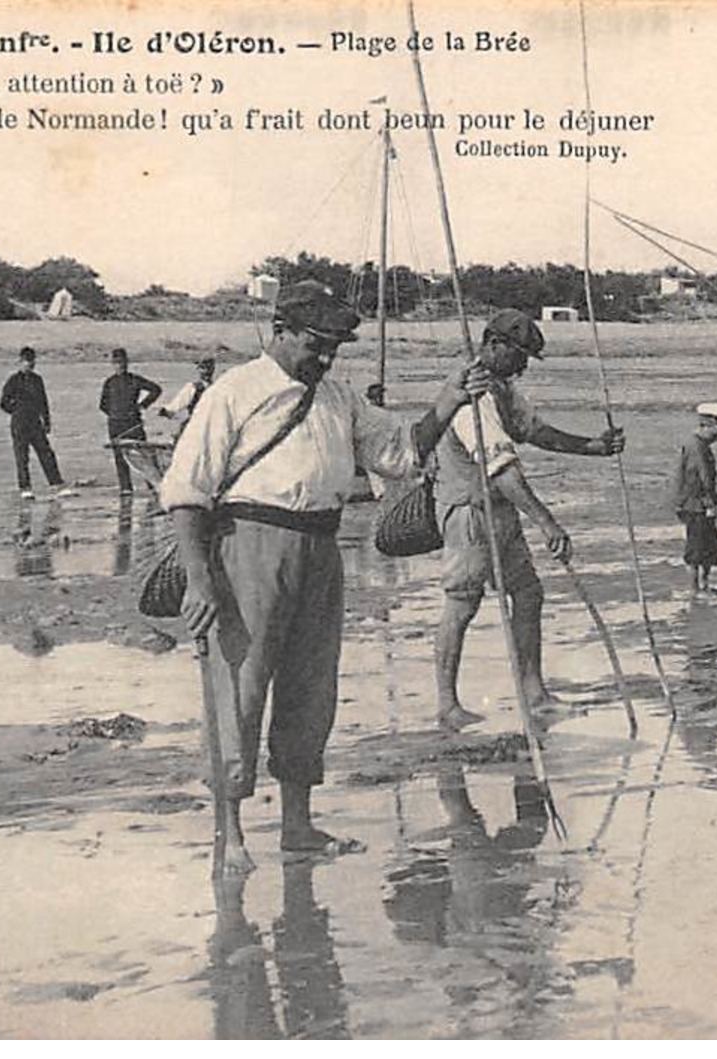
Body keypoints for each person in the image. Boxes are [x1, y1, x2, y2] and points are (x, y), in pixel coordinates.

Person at [159, 281, 490, 876]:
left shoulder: (339, 398)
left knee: (311, 689)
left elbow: (401, 453)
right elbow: (187, 491)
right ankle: (229, 836)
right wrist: (199, 580)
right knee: (239, 687)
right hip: (248, 546)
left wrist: (449, 400)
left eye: (335, 346)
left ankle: (298, 826)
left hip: (322, 546)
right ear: (279, 332)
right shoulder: (234, 393)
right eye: (317, 344)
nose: (328, 357)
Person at [433, 309, 625, 732]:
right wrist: (548, 523)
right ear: (493, 345)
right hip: (469, 512)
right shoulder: (471, 394)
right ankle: (447, 704)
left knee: (528, 593)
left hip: (499, 509)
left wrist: (593, 447)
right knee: (462, 605)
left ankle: (534, 693)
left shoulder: (502, 388)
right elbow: (503, 469)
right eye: (517, 355)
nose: (522, 366)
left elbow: (534, 431)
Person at [673, 403, 717, 595]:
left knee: (710, 543)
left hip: (697, 502)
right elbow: (697, 478)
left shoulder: (699, 444)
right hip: (695, 504)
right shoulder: (696, 447)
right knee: (698, 546)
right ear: (707, 424)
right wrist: (709, 501)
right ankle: (695, 588)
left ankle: (703, 584)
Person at [0, 347, 74, 500]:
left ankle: (56, 484)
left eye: (32, 361)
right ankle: (25, 488)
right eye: (26, 361)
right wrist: (16, 411)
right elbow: (3, 403)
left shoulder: (37, 380)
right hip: (19, 424)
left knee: (46, 454)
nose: (29, 364)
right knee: (22, 457)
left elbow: (43, 402)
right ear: (20, 362)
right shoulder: (13, 380)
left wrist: (47, 421)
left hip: (35, 423)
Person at [99, 347, 164, 496]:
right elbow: (102, 405)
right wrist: (115, 414)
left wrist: (142, 405)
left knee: (144, 454)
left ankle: (153, 485)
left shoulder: (134, 379)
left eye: (122, 362)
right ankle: (125, 488)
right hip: (115, 424)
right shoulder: (109, 382)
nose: (120, 365)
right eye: (116, 362)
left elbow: (156, 389)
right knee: (120, 457)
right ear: (112, 364)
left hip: (133, 423)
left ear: (127, 363)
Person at [158, 357, 216, 439]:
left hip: (197, 424)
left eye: (205, 368)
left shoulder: (193, 387)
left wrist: (167, 411)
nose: (205, 372)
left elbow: (178, 403)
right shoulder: (219, 387)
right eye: (204, 368)